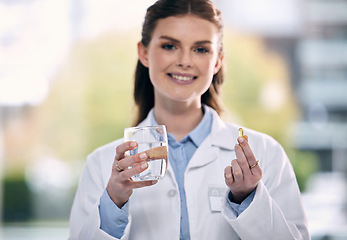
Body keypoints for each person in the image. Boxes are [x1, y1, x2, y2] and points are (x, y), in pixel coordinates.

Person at [68, 0, 310, 239]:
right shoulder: (101, 165)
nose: (184, 60)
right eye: (170, 46)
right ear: (144, 53)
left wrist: (248, 199)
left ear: (217, 61)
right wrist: (114, 200)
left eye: (201, 49)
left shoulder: (266, 153)